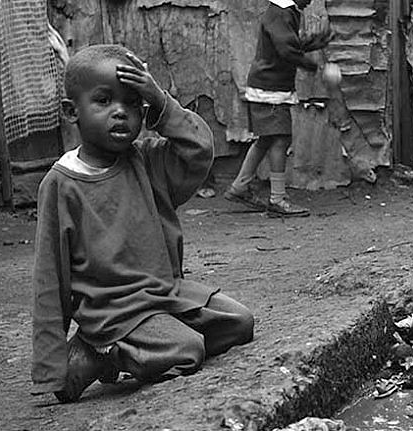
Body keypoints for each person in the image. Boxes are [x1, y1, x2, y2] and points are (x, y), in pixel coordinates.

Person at [31, 44, 255, 403]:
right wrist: (50, 365)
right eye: (103, 101)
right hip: (114, 310)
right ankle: (97, 352)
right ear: (72, 112)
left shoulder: (147, 160)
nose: (121, 113)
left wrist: (161, 102)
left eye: (133, 103)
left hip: (165, 293)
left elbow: (199, 151)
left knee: (240, 323)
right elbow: (49, 277)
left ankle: (145, 342)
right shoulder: (61, 186)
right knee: (188, 350)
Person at [224, 0, 334, 217]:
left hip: (268, 85)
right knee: (280, 139)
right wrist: (312, 65)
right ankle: (277, 198)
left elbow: (287, 43)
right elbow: (286, 49)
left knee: (266, 138)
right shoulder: (281, 13)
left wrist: (312, 43)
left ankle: (240, 186)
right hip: (271, 88)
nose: (311, 0)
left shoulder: (283, 12)